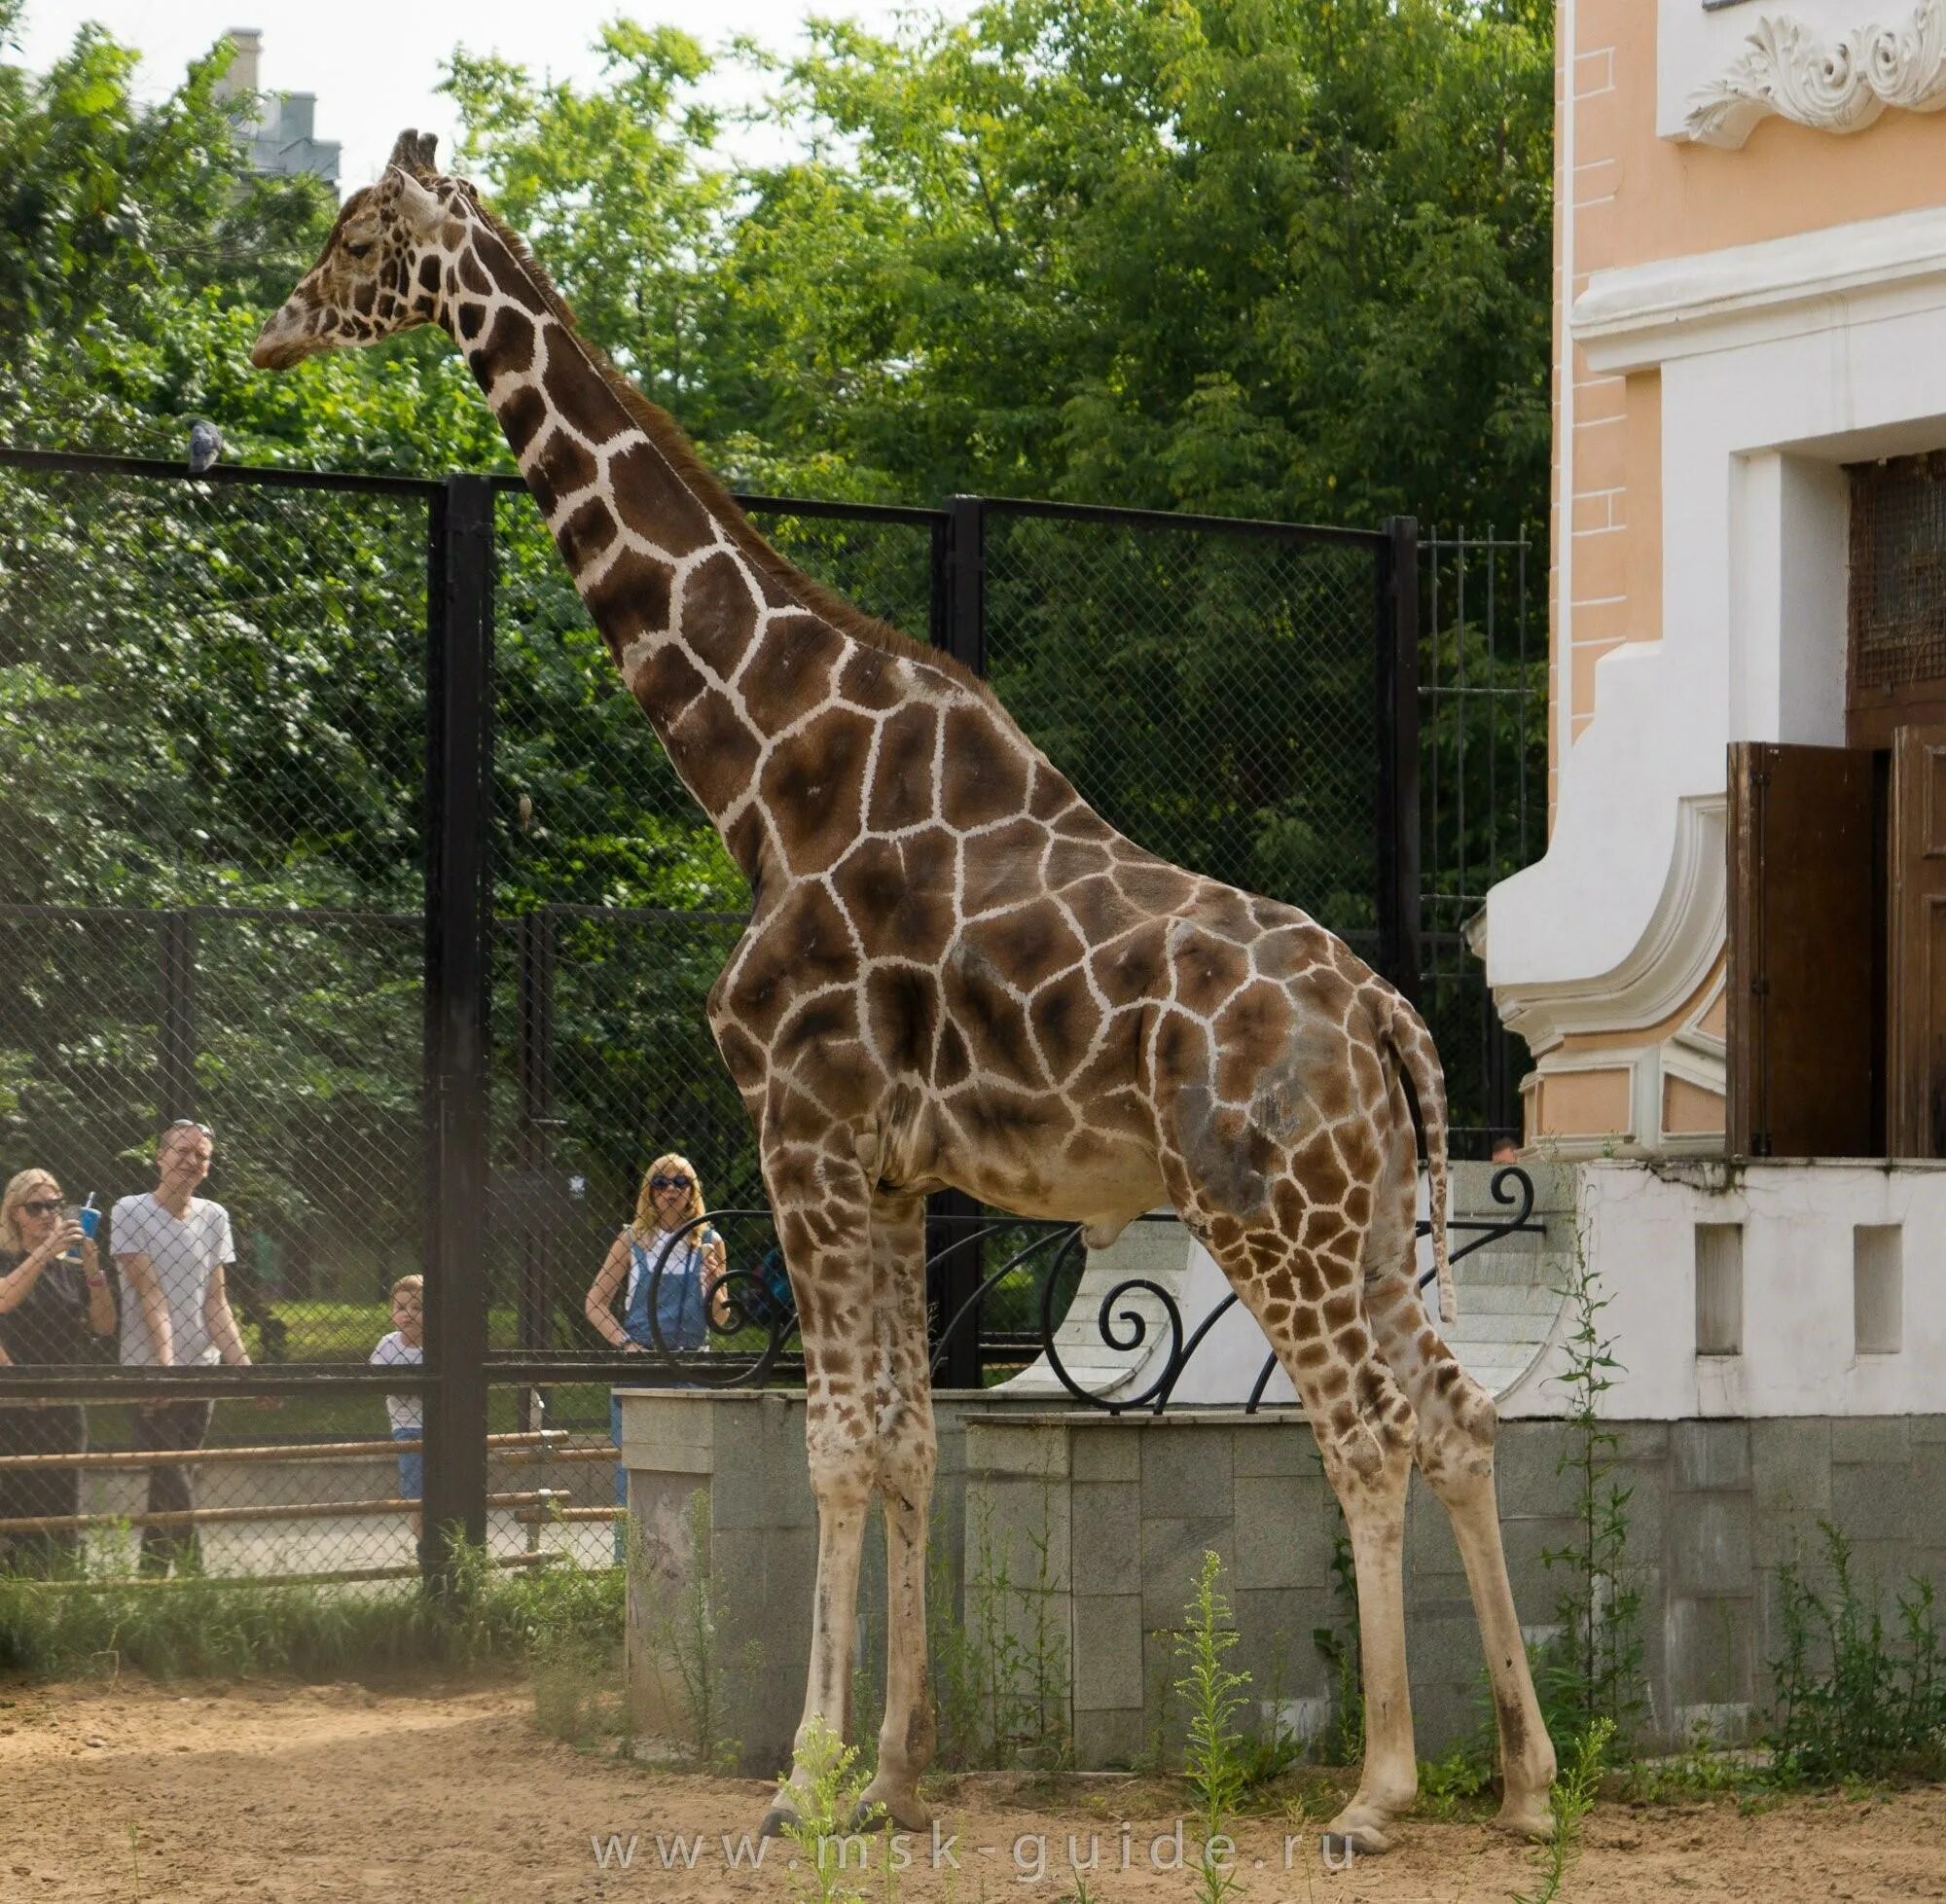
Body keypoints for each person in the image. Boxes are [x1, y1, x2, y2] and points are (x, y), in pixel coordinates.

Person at [112, 1120, 253, 1576]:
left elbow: (216, 1301)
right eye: (182, 1151)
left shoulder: (215, 1217)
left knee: (171, 1480)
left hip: (202, 1368)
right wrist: (166, 1370)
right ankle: (198, 1582)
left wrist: (245, 1371)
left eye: (202, 1155)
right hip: (149, 1371)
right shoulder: (129, 1211)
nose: (191, 1160)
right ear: (160, 1156)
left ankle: (151, 1581)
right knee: (173, 1473)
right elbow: (150, 1294)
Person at [584, 1153, 729, 1557]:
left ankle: (689, 1560)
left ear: (692, 1192)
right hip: (641, 1369)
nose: (670, 1191)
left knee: (693, 1468)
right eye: (661, 1183)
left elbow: (722, 1315)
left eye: (680, 1184)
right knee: (631, 1470)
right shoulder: (631, 1239)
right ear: (649, 1190)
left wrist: (716, 1286)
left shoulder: (710, 1242)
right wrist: (626, 1344)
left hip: (692, 1366)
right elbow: (594, 1302)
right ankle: (626, 1562)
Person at [0, 1168, 117, 1570]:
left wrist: (93, 1268)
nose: (49, 1214)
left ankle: (65, 1576)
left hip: (65, 1393)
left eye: (55, 1204)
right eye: (37, 1207)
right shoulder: (5, 1259)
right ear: (15, 1213)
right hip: (12, 1398)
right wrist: (17, 1381)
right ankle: (19, 1580)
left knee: (64, 1493)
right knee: (16, 1496)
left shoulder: (68, 1265)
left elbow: (104, 1326)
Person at [369, 1275, 424, 1539]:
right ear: (392, 1312)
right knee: (419, 1496)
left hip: (442, 1425)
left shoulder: (437, 1346)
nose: (408, 1314)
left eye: (418, 1308)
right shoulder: (388, 1345)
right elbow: (375, 1380)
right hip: (408, 1428)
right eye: (401, 1308)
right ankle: (425, 1546)